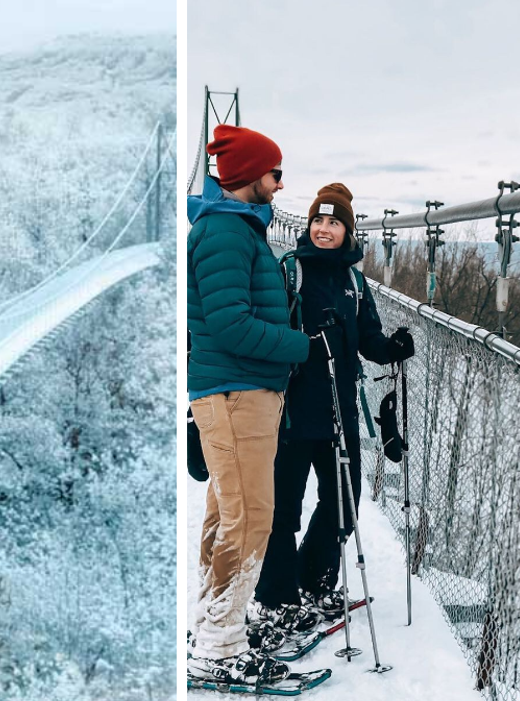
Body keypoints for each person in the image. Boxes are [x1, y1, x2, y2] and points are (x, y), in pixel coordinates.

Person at [251, 183, 414, 638]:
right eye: (318, 221)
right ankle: (275, 598)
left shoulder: (354, 282)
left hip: (339, 412)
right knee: (282, 510)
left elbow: (370, 339)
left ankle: (312, 579)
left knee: (343, 503)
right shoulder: (289, 272)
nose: (324, 230)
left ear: (347, 230)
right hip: (290, 411)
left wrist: (393, 348)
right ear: (308, 225)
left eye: (334, 223)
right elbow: (266, 333)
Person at [185, 125, 310, 685]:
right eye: (275, 173)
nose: (281, 185)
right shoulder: (225, 234)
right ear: (251, 175)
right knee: (251, 516)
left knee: (226, 511)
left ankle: (214, 622)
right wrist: (302, 346)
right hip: (236, 392)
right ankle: (219, 642)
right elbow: (231, 324)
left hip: (242, 391)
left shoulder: (235, 229)